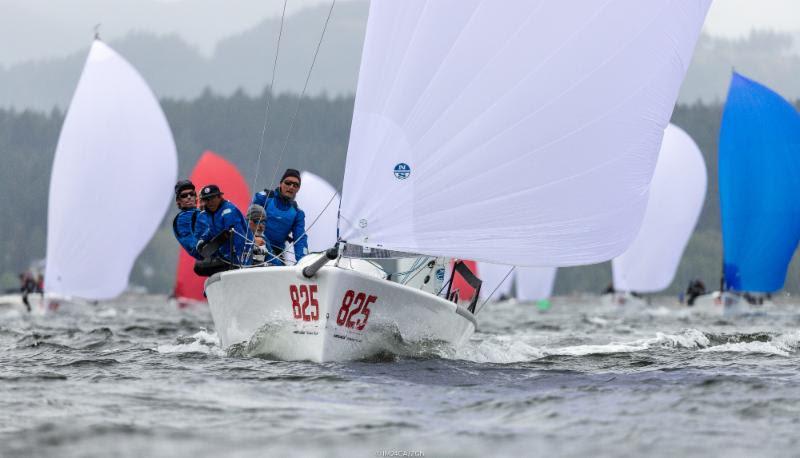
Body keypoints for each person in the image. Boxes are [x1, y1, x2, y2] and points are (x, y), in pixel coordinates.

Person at [251, 168, 308, 265]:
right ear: (280, 184)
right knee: (259, 266)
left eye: (295, 185)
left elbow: (300, 239)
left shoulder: (298, 213)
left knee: (278, 269)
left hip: (277, 253)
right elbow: (249, 223)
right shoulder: (264, 198)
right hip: (256, 245)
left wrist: (303, 262)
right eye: (288, 183)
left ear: (298, 189)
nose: (291, 187)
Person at [196, 184, 248, 268]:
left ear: (219, 197)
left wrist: (240, 263)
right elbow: (213, 230)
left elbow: (238, 238)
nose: (209, 202)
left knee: (201, 267)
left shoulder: (228, 212)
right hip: (225, 255)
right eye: (206, 199)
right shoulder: (210, 212)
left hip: (239, 255)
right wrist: (203, 239)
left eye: (212, 198)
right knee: (199, 267)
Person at [171, 180, 205, 260]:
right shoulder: (182, 219)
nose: (189, 197)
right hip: (210, 257)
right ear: (178, 201)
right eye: (184, 195)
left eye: (192, 194)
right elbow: (193, 246)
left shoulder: (201, 212)